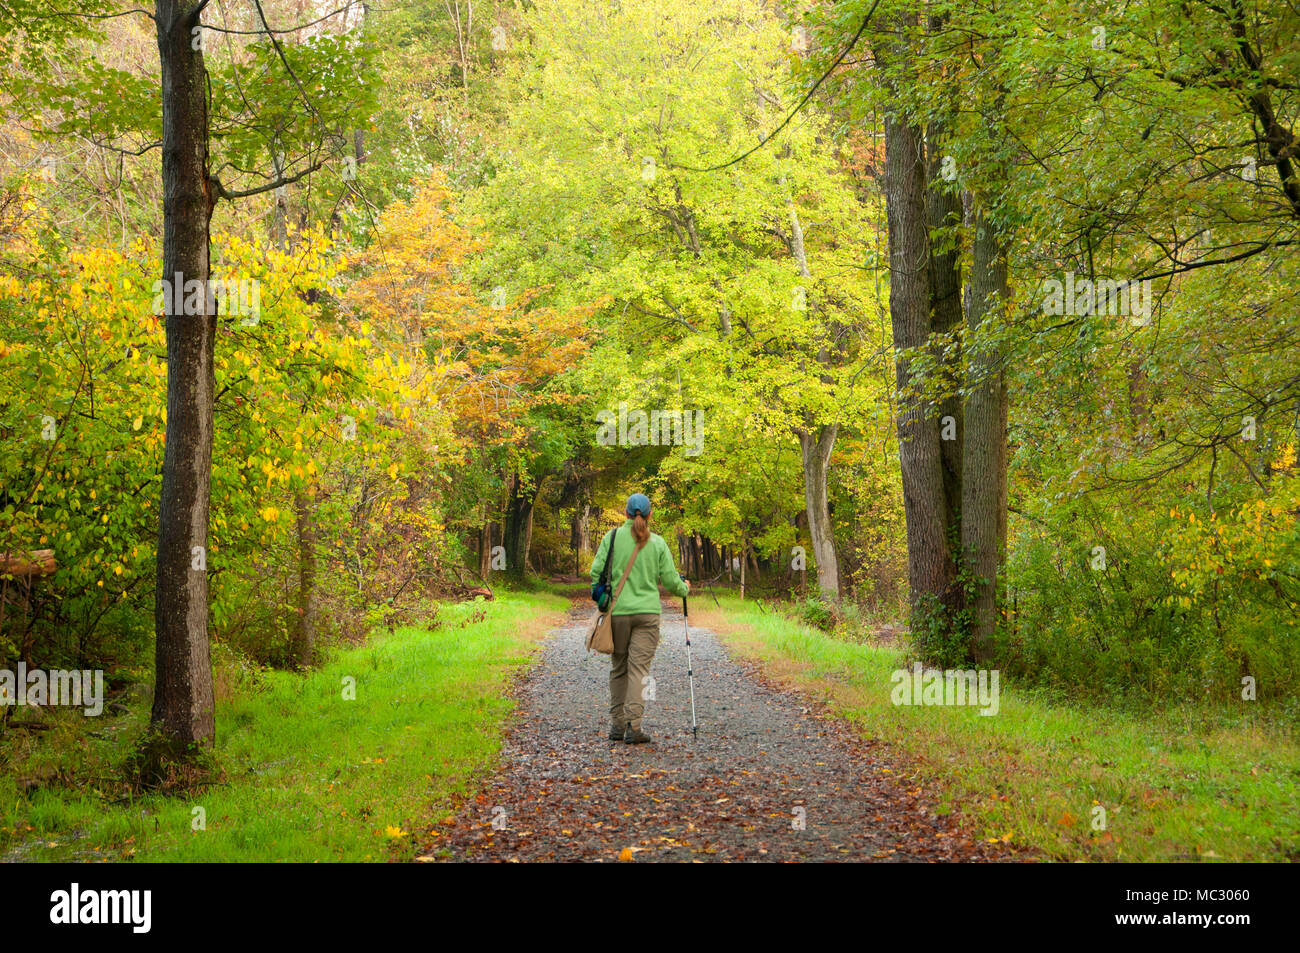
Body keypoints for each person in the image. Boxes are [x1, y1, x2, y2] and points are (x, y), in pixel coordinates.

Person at [589, 492, 689, 744]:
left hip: (618, 614)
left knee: (619, 667)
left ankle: (617, 725)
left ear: (625, 513)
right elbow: (670, 581)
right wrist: (684, 589)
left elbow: (596, 572)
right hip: (648, 615)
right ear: (650, 515)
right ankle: (634, 727)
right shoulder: (657, 543)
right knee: (640, 670)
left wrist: (602, 597)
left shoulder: (611, 537)